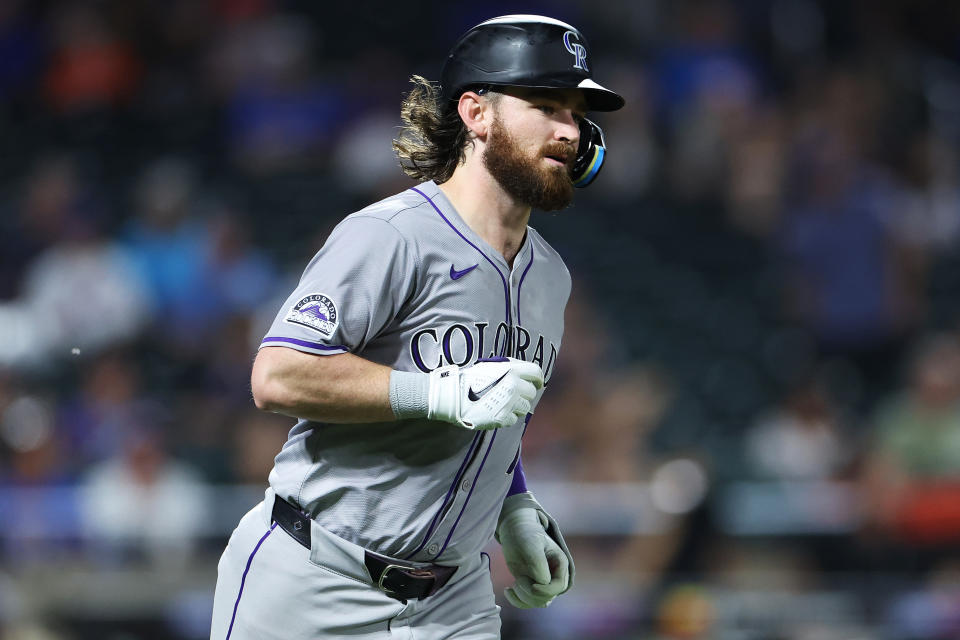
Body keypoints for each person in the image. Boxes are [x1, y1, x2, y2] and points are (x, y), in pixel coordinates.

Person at [210, 14, 624, 639]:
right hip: (315, 580)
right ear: (476, 114)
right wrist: (439, 393)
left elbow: (494, 417)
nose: (569, 130)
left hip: (452, 601)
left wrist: (512, 507)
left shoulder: (551, 278)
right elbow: (278, 376)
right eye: (544, 105)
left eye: (575, 111)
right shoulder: (391, 235)